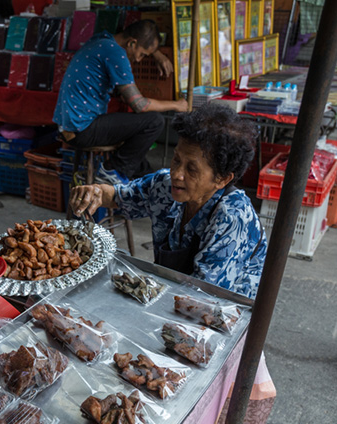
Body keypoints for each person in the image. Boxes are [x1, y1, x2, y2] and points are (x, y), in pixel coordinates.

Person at [70, 103, 266, 299]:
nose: (177, 174)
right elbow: (117, 196)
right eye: (176, 160)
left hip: (221, 313)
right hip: (174, 293)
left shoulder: (233, 217)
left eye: (191, 169)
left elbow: (202, 297)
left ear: (222, 179)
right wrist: (94, 192)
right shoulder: (164, 185)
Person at [54, 20, 186, 185]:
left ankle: (145, 183)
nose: (138, 60)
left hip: (70, 127)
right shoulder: (115, 52)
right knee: (154, 121)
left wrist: (156, 53)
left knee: (139, 157)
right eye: (142, 54)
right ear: (131, 43)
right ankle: (113, 170)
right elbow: (139, 104)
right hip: (82, 129)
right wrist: (176, 105)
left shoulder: (101, 40)